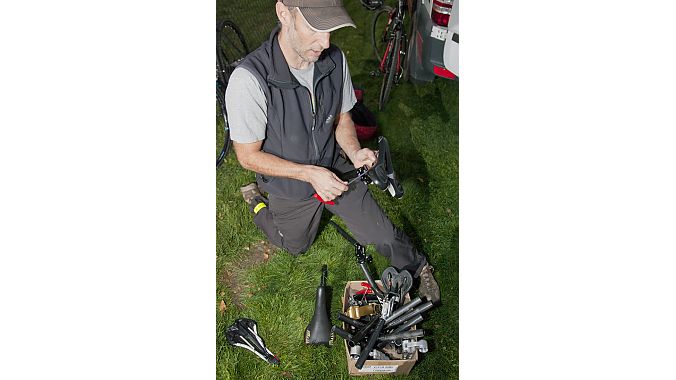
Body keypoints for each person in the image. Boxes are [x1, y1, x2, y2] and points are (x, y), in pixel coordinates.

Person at [225, 0, 440, 303]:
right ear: (284, 14)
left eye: (330, 29)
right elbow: (247, 156)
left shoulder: (334, 60)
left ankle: (418, 268)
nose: (325, 42)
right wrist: (309, 174)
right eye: (315, 28)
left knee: (383, 234)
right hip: (291, 184)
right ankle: (257, 202)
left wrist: (353, 152)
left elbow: (342, 118)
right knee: (294, 245)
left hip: (334, 166)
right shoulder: (249, 80)